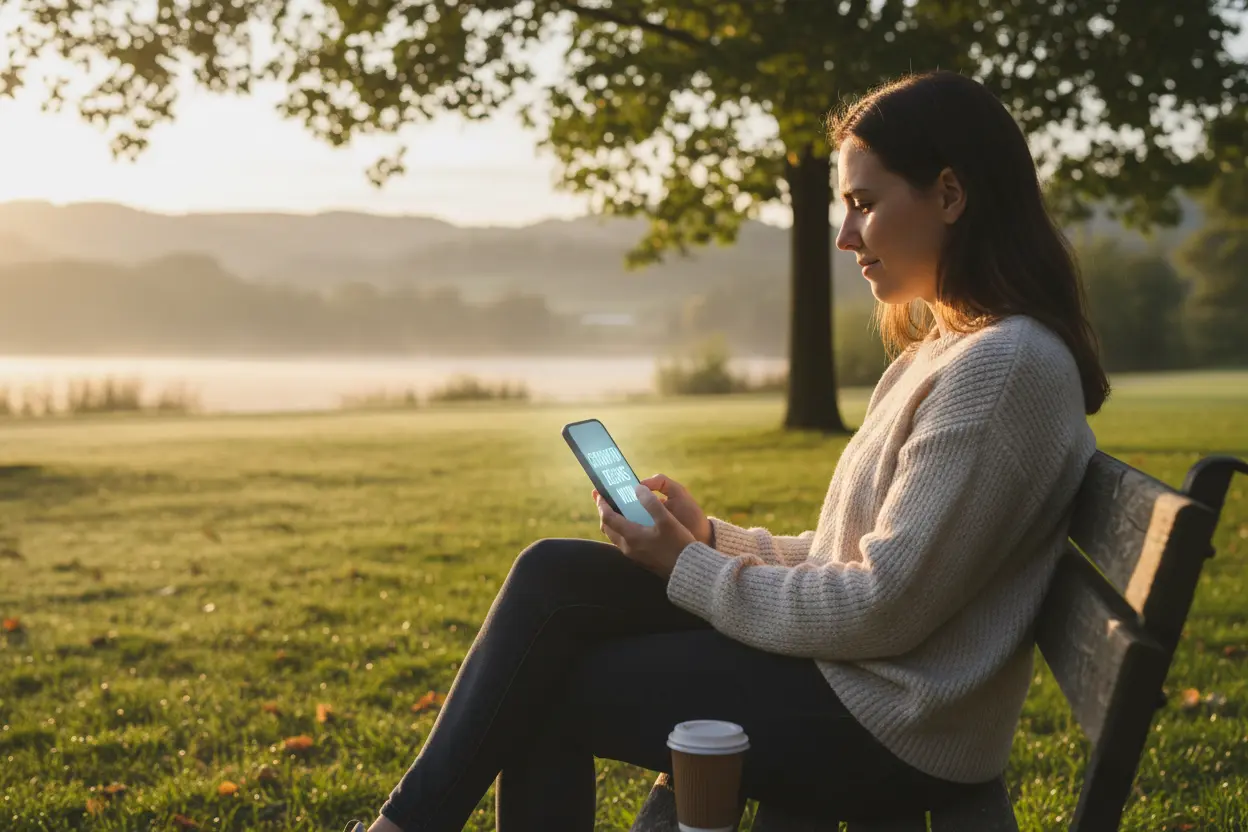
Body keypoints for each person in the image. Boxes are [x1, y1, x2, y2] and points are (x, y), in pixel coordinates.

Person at [342, 69, 1108, 832]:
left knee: (543, 688)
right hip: (858, 683)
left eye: (864, 204)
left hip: (892, 726)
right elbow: (848, 559)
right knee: (552, 573)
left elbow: (881, 607)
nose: (845, 236)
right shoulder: (947, 353)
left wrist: (686, 564)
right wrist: (708, 539)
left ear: (950, 194)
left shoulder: (1002, 368)